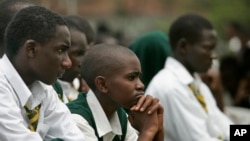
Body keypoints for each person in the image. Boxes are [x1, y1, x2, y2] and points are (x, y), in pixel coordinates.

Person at [0, 6, 86, 140]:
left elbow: (75, 137)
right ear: (31, 49)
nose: (67, 62)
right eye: (60, 51)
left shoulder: (43, 89)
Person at [146, 14, 233, 141]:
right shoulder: (170, 86)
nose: (213, 56)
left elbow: (225, 127)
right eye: (207, 48)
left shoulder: (196, 83)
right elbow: (199, 139)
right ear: (183, 46)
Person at [67, 43, 164, 141]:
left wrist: (157, 130)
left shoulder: (120, 116)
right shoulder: (76, 120)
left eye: (139, 77)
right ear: (102, 85)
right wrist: (148, 131)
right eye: (131, 77)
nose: (141, 85)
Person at [53, 15, 93, 103]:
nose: (83, 62)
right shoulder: (50, 91)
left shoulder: (78, 87)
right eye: (78, 54)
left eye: (85, 54)